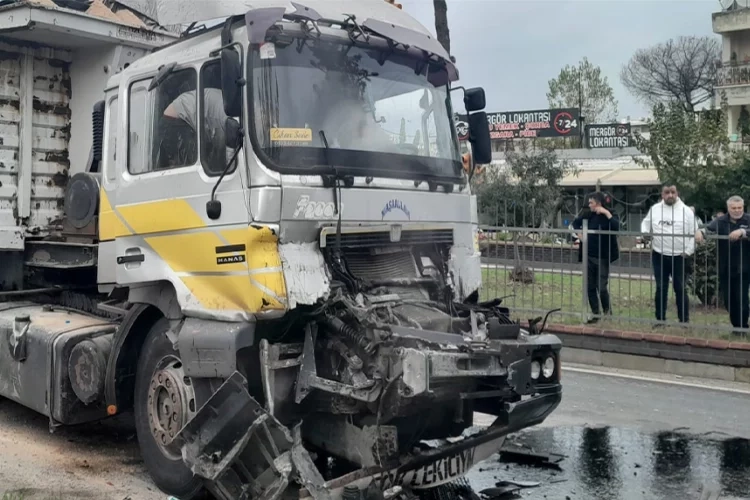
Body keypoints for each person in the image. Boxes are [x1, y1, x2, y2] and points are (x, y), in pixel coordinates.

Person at [641, 184, 700, 325]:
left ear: (677, 193)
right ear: (662, 194)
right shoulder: (655, 210)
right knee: (661, 288)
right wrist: (645, 235)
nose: (670, 195)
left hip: (680, 256)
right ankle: (660, 319)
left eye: (673, 192)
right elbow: (645, 224)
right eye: (667, 192)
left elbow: (695, 233)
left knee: (680, 288)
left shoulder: (686, 211)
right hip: (659, 254)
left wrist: (688, 252)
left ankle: (684, 320)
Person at [700, 195, 750, 334]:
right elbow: (709, 229)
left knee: (742, 299)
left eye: (739, 207)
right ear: (728, 208)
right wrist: (700, 232)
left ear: (743, 207)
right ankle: (736, 326)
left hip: (743, 267)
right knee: (729, 300)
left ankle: (742, 327)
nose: (737, 210)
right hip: (725, 267)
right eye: (733, 208)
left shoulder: (748, 219)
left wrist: (742, 231)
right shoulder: (721, 221)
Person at [573, 192, 620, 324]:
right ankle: (595, 314)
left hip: (603, 257)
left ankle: (607, 312)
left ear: (598, 203)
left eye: (591, 202)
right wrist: (579, 234)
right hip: (589, 256)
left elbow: (616, 228)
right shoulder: (588, 214)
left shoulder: (610, 213)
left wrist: (606, 213)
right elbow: (575, 223)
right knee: (590, 287)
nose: (589, 205)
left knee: (602, 286)